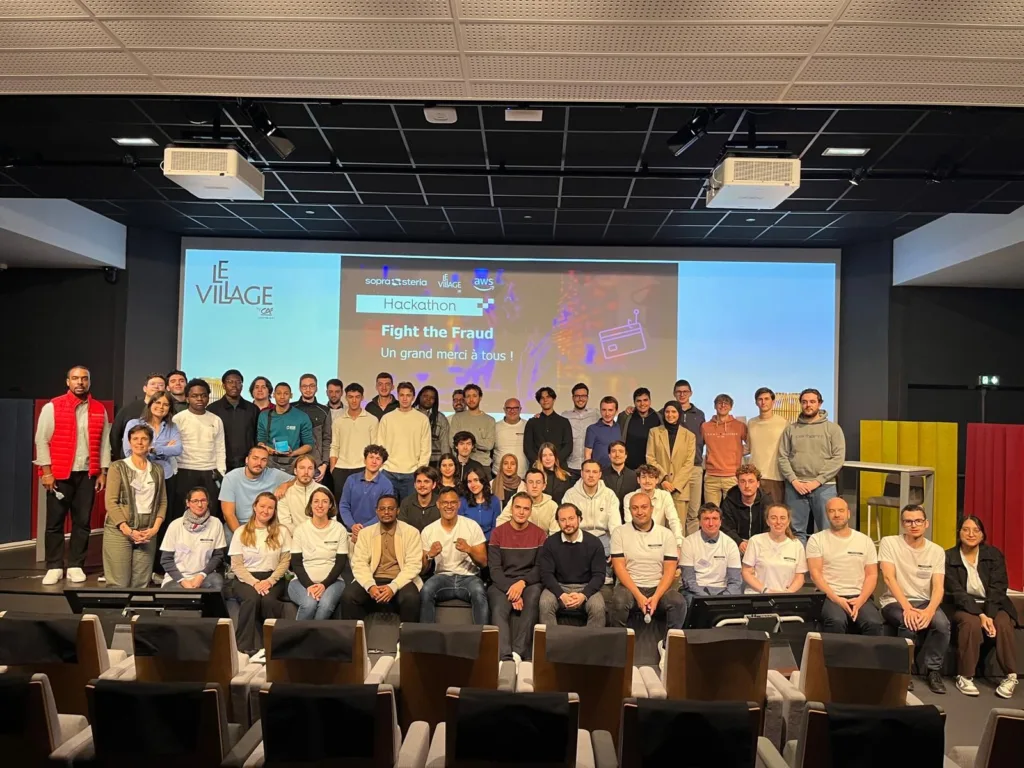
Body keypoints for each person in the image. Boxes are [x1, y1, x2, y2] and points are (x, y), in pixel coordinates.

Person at [34, 365, 112, 585]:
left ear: (89, 382)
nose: (80, 382)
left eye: (84, 378)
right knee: (55, 522)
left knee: (82, 522)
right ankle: (54, 566)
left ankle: (76, 565)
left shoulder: (99, 409)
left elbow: (104, 442)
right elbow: (41, 440)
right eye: (75, 378)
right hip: (59, 473)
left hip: (87, 474)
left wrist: (103, 471)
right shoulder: (53, 406)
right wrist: (46, 472)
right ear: (68, 382)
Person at [944, 516, 1018, 699]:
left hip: (993, 604)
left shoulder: (994, 555)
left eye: (976, 530)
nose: (971, 534)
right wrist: (981, 616)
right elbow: (956, 591)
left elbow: (998, 587)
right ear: (959, 533)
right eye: (966, 529)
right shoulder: (949, 557)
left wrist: (989, 615)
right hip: (962, 605)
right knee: (971, 623)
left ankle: (1010, 676)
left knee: (1003, 623)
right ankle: (965, 676)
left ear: (983, 534)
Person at [879, 504, 950, 694]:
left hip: (924, 601)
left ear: (926, 523)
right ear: (903, 524)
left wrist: (929, 611)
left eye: (918, 521)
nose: (914, 525)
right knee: (908, 622)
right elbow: (888, 578)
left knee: (942, 625)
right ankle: (904, 672)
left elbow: (938, 587)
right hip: (894, 601)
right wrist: (907, 608)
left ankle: (933, 671)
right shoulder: (889, 543)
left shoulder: (936, 550)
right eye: (909, 521)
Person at [224, 492, 292, 653]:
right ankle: (243, 648)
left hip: (273, 578)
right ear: (255, 507)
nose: (265, 511)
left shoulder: (282, 531)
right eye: (262, 506)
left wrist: (270, 581)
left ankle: (274, 647)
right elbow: (237, 565)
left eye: (270, 508)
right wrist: (255, 583)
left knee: (269, 600)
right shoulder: (241, 531)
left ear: (274, 511)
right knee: (251, 599)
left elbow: (285, 561)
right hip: (246, 579)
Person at [610, 492, 687, 629]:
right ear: (630, 510)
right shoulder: (619, 533)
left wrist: (656, 597)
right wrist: (638, 596)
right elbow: (619, 568)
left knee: (678, 602)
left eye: (644, 507)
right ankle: (620, 639)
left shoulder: (666, 534)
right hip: (629, 587)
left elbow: (669, 571)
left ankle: (670, 640)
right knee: (619, 601)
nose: (639, 512)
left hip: (658, 587)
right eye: (635, 508)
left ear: (652, 509)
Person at [806, 496, 882, 636]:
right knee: (836, 620)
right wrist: (837, 600)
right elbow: (815, 575)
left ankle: (868, 652)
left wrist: (861, 600)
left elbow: (872, 575)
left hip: (859, 595)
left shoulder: (865, 540)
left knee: (873, 623)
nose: (836, 514)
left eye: (841, 510)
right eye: (832, 511)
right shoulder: (816, 539)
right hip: (828, 595)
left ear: (848, 513)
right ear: (827, 514)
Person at [778, 388, 846, 543]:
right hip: (795, 488)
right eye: (804, 402)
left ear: (819, 404)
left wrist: (817, 481)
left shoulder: (833, 429)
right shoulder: (791, 429)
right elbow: (782, 457)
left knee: (828, 530)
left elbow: (838, 458)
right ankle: (799, 559)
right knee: (795, 532)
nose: (808, 405)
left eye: (812, 401)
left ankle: (825, 560)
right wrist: (794, 481)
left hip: (824, 487)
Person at [103, 424, 167, 588]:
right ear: (129, 442)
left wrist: (155, 529)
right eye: (135, 439)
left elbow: (162, 502)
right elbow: (111, 502)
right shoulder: (118, 467)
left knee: (141, 583)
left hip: (147, 531)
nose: (139, 442)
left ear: (150, 443)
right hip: (120, 531)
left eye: (144, 439)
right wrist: (127, 529)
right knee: (119, 583)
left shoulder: (157, 470)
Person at [340, 494, 421, 622]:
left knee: (411, 598)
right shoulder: (365, 533)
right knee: (349, 596)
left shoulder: (411, 532)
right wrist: (370, 586)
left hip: (400, 579)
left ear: (398, 511)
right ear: (376, 511)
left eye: (390, 508)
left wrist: (393, 587)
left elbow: (413, 565)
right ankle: (357, 635)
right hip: (372, 577)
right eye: (382, 509)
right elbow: (359, 563)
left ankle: (406, 634)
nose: (386, 512)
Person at [488, 492, 548, 660]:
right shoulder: (498, 533)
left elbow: (540, 568)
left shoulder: (540, 534)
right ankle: (505, 657)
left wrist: (522, 584)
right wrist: (512, 590)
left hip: (528, 582)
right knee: (499, 608)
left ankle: (518, 653)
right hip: (503, 582)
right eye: (518, 507)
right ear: (511, 509)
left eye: (526, 509)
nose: (521, 512)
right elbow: (494, 569)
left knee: (533, 598)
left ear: (530, 511)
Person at [420, 487, 489, 623]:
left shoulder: (472, 526)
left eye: (453, 502)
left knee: (479, 591)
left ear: (459, 504)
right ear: (438, 504)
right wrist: (429, 555)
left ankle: (483, 634)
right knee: (426, 590)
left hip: (469, 578)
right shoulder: (429, 530)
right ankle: (426, 634)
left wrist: (469, 549)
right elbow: (422, 570)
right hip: (441, 577)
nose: (449, 506)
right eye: (445, 503)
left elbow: (483, 562)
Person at [170, 378, 226, 536]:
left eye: (203, 395)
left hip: (209, 472)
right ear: (187, 398)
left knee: (210, 513)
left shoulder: (216, 420)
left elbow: (220, 447)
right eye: (195, 396)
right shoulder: (178, 419)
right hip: (184, 471)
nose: (199, 399)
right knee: (182, 513)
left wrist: (221, 471)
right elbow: (172, 447)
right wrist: (175, 471)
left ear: (208, 397)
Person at [538, 503, 607, 627]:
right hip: (559, 585)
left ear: (579, 519)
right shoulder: (550, 543)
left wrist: (583, 595)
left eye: (571, 518)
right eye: (563, 520)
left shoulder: (594, 543)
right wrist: (561, 595)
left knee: (598, 607)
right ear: (558, 523)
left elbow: (599, 575)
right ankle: (552, 639)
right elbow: (546, 574)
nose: (567, 523)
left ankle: (591, 640)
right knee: (545, 603)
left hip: (586, 586)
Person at [288, 487, 348, 621]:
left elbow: (340, 563)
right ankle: (299, 633)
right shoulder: (300, 530)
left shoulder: (339, 529)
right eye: (316, 501)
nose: (320, 505)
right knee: (309, 604)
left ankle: (311, 634)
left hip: (333, 582)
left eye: (325, 501)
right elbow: (296, 563)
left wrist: (323, 585)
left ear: (330, 505)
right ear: (310, 504)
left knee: (325, 605)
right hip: (301, 582)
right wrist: (309, 585)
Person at [159, 486, 227, 590]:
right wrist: (183, 581)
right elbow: (166, 560)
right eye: (195, 501)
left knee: (216, 581)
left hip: (204, 576)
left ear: (208, 502)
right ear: (188, 503)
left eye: (203, 500)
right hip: (177, 578)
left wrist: (201, 575)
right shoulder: (175, 525)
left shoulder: (216, 523)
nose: (200, 505)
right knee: (175, 591)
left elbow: (218, 556)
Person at [646, 401, 697, 535]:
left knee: (678, 530)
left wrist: (675, 485)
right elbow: (650, 458)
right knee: (656, 529)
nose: (670, 415)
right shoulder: (654, 432)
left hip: (680, 490)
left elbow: (689, 463)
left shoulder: (689, 436)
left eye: (674, 412)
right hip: (659, 487)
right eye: (667, 412)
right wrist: (663, 480)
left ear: (679, 414)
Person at [562, 459, 619, 577]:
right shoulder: (570, 495)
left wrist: (617, 549)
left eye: (595, 472)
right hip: (578, 536)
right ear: (582, 473)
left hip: (603, 537)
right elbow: (565, 523)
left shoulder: (609, 495)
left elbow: (615, 524)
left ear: (600, 474)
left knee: (605, 572)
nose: (591, 475)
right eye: (587, 471)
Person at [219, 446, 292, 533]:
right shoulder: (231, 478)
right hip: (240, 523)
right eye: (255, 458)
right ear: (247, 460)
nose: (259, 463)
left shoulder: (274, 474)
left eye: (263, 460)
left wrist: (285, 485)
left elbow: (298, 479)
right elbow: (228, 514)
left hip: (267, 522)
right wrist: (241, 536)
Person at [377, 382, 431, 500]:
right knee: (388, 508)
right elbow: (380, 446)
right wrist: (381, 468)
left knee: (409, 509)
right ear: (397, 396)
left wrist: (420, 472)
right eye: (402, 395)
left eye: (408, 395)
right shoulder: (387, 418)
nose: (405, 398)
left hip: (412, 474)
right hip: (388, 472)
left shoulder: (422, 419)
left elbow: (425, 448)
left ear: (413, 397)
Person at [741, 502, 807, 594]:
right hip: (758, 595)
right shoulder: (755, 541)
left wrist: (788, 593)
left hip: (785, 597)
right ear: (767, 521)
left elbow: (799, 576)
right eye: (773, 518)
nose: (778, 522)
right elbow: (746, 572)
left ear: (788, 522)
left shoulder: (796, 545)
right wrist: (765, 590)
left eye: (782, 518)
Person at [680, 503, 743, 598]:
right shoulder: (688, 542)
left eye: (715, 519)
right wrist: (706, 599)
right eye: (706, 519)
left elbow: (735, 581)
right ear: (699, 522)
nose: (711, 523)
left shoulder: (730, 544)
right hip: (695, 591)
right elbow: (688, 581)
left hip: (723, 591)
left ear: (721, 522)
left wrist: (719, 599)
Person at [122, 392, 182, 483]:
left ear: (170, 408)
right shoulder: (133, 424)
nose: (161, 407)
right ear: (150, 404)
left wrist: (154, 450)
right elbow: (129, 452)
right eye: (157, 402)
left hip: (165, 476)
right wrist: (166, 450)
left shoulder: (172, 426)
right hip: (139, 475)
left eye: (166, 404)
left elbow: (178, 449)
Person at [672, 380, 707, 537]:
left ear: (691, 393)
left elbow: (703, 439)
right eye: (678, 392)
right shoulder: (666, 412)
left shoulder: (699, 415)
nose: (682, 394)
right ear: (674, 393)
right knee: (676, 512)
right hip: (675, 469)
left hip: (695, 467)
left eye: (685, 391)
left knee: (693, 512)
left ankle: (691, 544)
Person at [330, 382, 379, 492]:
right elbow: (334, 446)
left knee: (362, 501)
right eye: (351, 397)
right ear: (346, 398)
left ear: (362, 398)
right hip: (341, 469)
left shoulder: (372, 420)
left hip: (363, 467)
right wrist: (333, 469)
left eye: (357, 397)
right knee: (341, 501)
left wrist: (372, 469)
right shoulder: (338, 421)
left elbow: (375, 448)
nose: (354, 400)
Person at [207, 369, 259, 472]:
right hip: (220, 463)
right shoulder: (212, 409)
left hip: (247, 463)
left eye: (238, 382)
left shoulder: (253, 409)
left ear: (242, 386)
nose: (234, 385)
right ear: (223, 385)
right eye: (230, 382)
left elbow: (257, 436)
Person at [700, 394, 748, 506]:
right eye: (719, 403)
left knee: (731, 511)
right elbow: (698, 447)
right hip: (711, 476)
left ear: (731, 407)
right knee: (711, 512)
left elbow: (750, 445)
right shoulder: (705, 426)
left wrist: (737, 452)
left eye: (726, 403)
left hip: (732, 476)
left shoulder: (739, 426)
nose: (722, 405)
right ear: (715, 406)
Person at [256, 382, 314, 474]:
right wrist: (267, 449)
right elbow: (260, 441)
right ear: (273, 395)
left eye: (286, 393)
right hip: (269, 462)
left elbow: (309, 445)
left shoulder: (302, 416)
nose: (282, 397)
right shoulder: (264, 416)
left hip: (292, 462)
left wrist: (293, 453)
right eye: (279, 393)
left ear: (291, 395)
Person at [339, 445, 395, 538]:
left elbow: (385, 511)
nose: (374, 461)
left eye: (378, 458)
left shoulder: (386, 484)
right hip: (351, 531)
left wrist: (363, 529)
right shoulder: (351, 480)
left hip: (375, 533)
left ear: (382, 464)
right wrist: (352, 525)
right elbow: (344, 505)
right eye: (371, 457)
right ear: (365, 460)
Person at [624, 464, 683, 549]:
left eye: (651, 477)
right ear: (638, 480)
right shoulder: (629, 497)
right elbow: (629, 523)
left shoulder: (665, 496)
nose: (647, 481)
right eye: (643, 477)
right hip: (636, 542)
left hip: (659, 541)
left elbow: (673, 520)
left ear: (657, 480)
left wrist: (678, 543)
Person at [110, 373, 167, 460]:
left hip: (161, 463)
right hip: (130, 461)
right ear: (145, 388)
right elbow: (115, 435)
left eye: (160, 385)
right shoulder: (129, 409)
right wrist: (120, 459)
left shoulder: (168, 412)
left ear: (166, 389)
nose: (156, 387)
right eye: (152, 384)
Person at [747, 387, 789, 504]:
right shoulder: (751, 423)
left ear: (773, 401)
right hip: (754, 476)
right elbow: (749, 448)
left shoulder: (783, 423)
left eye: (766, 399)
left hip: (775, 477)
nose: (763, 402)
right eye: (760, 399)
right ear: (756, 402)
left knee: (774, 511)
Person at [720, 464, 772, 554]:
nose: (747, 486)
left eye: (751, 481)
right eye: (743, 481)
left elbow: (769, 528)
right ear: (738, 483)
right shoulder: (729, 501)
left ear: (758, 484)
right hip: (735, 545)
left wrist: (757, 543)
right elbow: (726, 528)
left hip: (761, 545)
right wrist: (739, 542)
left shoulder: (767, 502)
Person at [448, 383, 496, 472]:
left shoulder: (490, 420)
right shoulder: (457, 418)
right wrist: (477, 443)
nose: (471, 399)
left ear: (480, 397)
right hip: (461, 464)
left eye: (474, 396)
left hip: (483, 465)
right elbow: (452, 442)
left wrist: (465, 441)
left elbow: (489, 445)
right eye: (468, 396)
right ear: (465, 399)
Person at [295, 373, 333, 486]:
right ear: (299, 388)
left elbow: (327, 439)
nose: (308, 389)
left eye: (311, 386)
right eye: (304, 386)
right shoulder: (291, 408)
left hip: (316, 464)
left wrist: (324, 464)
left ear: (316, 388)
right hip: (293, 462)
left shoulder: (324, 411)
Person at [497, 467, 558, 532]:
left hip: (544, 538)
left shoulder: (552, 506)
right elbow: (501, 521)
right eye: (531, 482)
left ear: (544, 486)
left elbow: (555, 533)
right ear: (525, 485)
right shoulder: (517, 499)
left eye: (538, 482)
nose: (534, 486)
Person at [275, 454, 324, 534]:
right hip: (294, 537)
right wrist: (301, 536)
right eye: (302, 468)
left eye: (310, 468)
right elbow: (285, 522)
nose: (306, 472)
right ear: (295, 471)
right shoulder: (285, 493)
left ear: (314, 471)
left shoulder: (324, 491)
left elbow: (331, 518)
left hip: (320, 536)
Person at [524, 387, 573, 467]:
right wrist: (539, 462)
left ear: (554, 399)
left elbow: (568, 447)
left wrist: (555, 461)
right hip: (538, 467)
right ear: (539, 401)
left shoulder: (564, 422)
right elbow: (528, 448)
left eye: (548, 397)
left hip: (559, 466)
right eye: (542, 398)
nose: (545, 400)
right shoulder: (532, 422)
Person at [617, 388, 660, 471]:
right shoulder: (625, 417)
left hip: (652, 469)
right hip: (629, 468)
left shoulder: (659, 417)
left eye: (645, 400)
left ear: (650, 401)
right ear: (634, 403)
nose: (642, 404)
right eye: (639, 401)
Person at [562, 383, 599, 478]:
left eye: (583, 396)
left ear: (587, 397)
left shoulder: (596, 414)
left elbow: (609, 418)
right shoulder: (565, 416)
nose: (580, 399)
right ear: (573, 398)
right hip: (571, 466)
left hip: (591, 466)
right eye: (577, 396)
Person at [458, 468, 502, 541]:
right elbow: (460, 527)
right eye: (469, 481)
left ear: (483, 481)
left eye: (476, 480)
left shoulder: (494, 501)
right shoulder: (462, 501)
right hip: (468, 541)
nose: (473, 485)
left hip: (489, 541)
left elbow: (495, 527)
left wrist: (483, 542)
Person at [602, 441, 638, 522]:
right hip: (605, 520)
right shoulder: (601, 476)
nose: (617, 455)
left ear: (626, 455)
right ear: (609, 455)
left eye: (621, 451)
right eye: (613, 451)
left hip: (629, 520)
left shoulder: (635, 476)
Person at [414, 385, 450, 466]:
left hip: (434, 461)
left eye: (432, 397)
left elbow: (445, 444)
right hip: (413, 459)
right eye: (425, 396)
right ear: (419, 397)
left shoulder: (441, 418)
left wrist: (446, 462)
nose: (428, 399)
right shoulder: (410, 414)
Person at [398, 466, 441, 531]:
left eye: (426, 481)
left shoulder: (441, 503)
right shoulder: (406, 503)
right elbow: (402, 528)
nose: (422, 485)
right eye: (419, 481)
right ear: (414, 485)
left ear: (434, 485)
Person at [494, 398, 527, 479]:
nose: (512, 411)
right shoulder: (495, 427)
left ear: (520, 409)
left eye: (515, 408)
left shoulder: (528, 426)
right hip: (498, 475)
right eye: (509, 408)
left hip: (522, 475)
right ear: (504, 409)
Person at [585, 396, 621, 470]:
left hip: (616, 471)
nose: (607, 413)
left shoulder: (619, 427)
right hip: (599, 472)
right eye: (604, 410)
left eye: (610, 410)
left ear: (616, 411)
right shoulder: (592, 429)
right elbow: (587, 455)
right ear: (600, 410)